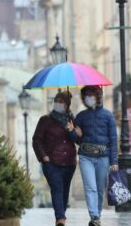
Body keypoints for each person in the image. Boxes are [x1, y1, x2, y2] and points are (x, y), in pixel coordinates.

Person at [32, 91, 81, 226]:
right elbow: (37, 140)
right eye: (56, 101)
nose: (58, 104)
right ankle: (60, 218)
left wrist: (71, 130)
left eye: (61, 102)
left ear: (67, 105)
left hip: (69, 162)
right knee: (57, 188)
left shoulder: (72, 120)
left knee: (64, 190)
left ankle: (61, 216)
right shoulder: (45, 120)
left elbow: (79, 141)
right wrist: (44, 157)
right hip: (51, 162)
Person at [74, 85, 118, 226]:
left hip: (103, 158)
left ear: (98, 97)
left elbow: (113, 139)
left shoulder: (108, 115)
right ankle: (93, 216)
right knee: (90, 187)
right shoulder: (80, 116)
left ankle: (97, 215)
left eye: (92, 95)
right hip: (85, 157)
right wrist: (75, 133)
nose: (89, 98)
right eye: (87, 95)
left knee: (100, 189)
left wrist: (114, 161)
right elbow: (76, 139)